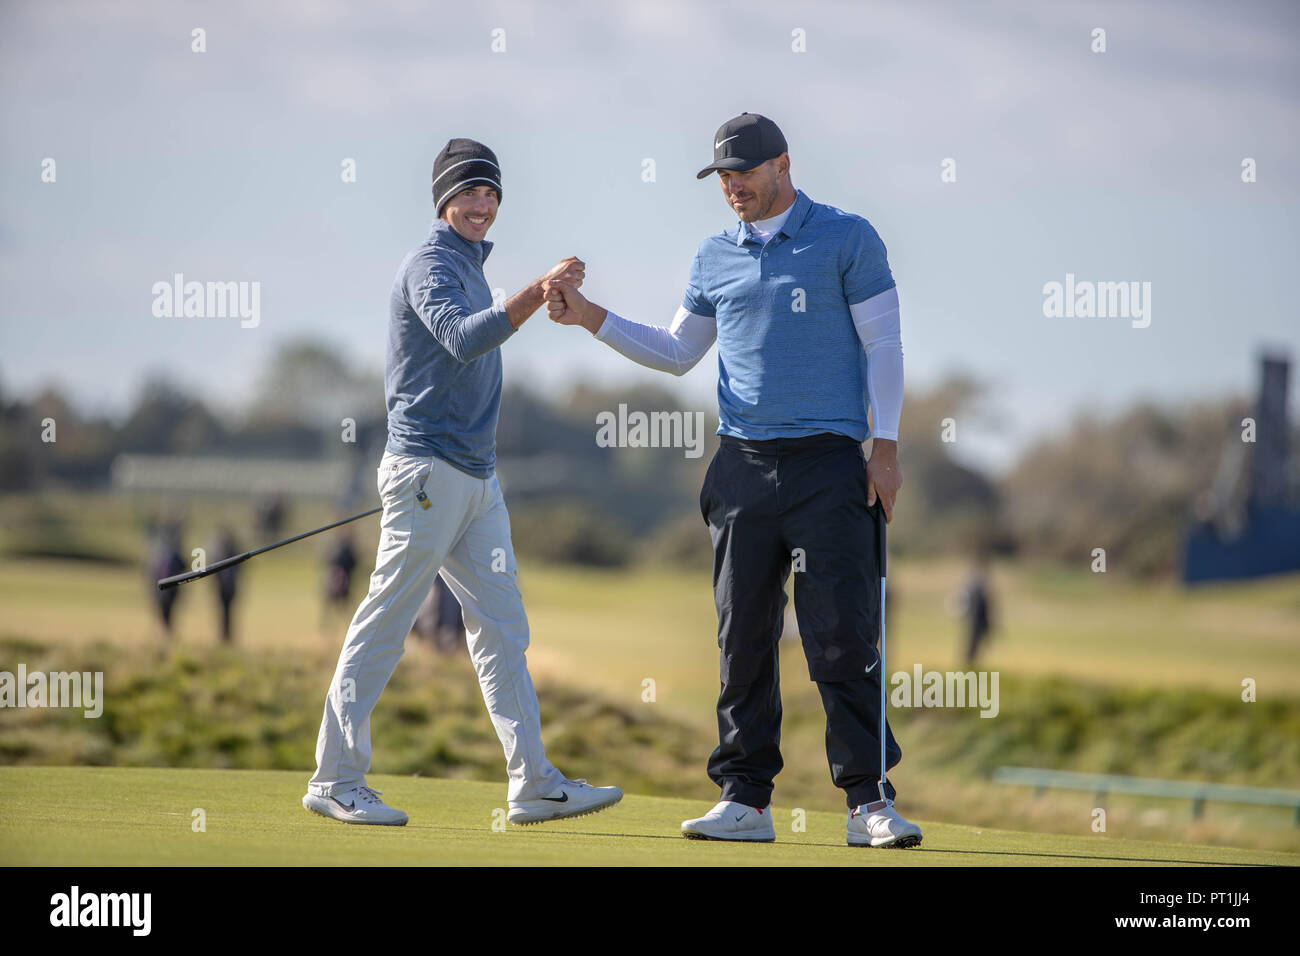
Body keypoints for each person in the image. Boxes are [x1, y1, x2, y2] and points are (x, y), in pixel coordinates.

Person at [544, 113, 921, 848]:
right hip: (742, 467)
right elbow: (681, 349)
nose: (732, 187)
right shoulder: (714, 255)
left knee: (842, 636)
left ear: (783, 163)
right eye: (722, 176)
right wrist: (589, 316)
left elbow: (886, 343)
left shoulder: (847, 237)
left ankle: (868, 803)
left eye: (743, 172)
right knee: (741, 636)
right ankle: (744, 798)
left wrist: (886, 448)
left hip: (829, 465)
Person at [303, 138, 623, 827]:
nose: (482, 204)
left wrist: (532, 294)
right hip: (427, 471)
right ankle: (335, 778)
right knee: (386, 622)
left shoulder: (472, 266)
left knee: (503, 629)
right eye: (469, 193)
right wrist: (539, 292)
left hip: (476, 479)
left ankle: (532, 782)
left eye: (491, 194)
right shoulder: (431, 265)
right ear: (444, 201)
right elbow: (461, 337)